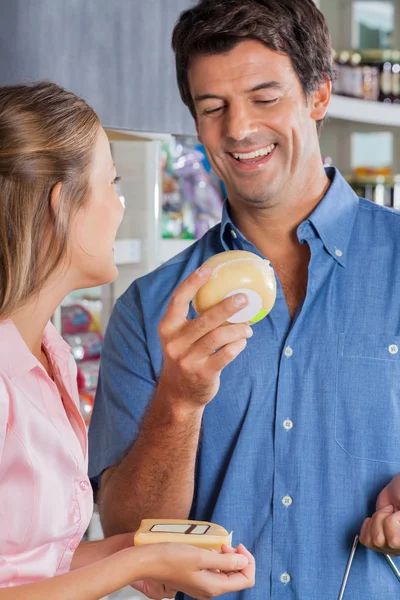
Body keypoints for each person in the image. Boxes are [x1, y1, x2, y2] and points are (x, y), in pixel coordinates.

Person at [88, 0, 400, 597]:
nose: (238, 129)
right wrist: (179, 403)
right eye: (213, 108)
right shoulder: (148, 310)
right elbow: (132, 548)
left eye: (265, 98)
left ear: (318, 96)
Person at [0, 81, 256, 599]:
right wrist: (137, 562)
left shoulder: (51, 354)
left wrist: (140, 553)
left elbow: (34, 560)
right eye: (111, 183)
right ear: (61, 206)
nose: (120, 206)